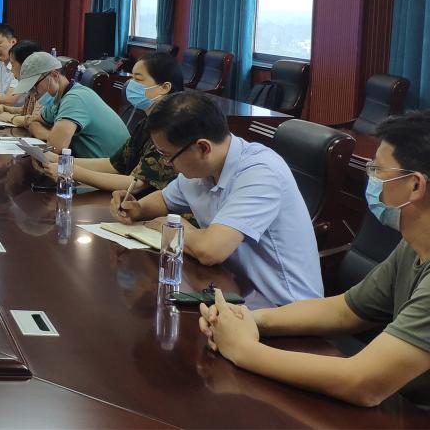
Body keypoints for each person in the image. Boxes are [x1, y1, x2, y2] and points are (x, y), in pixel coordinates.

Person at [199, 110, 430, 407]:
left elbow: (364, 383)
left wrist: (243, 350)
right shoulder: (413, 244)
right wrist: (247, 319)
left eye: (377, 170)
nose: (370, 179)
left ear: (415, 185)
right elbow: (345, 311)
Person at [110, 90, 322, 306]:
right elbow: (165, 200)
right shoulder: (202, 168)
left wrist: (175, 228)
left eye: (168, 156)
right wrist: (137, 208)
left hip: (284, 307)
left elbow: (210, 250)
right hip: (231, 292)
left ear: (203, 147)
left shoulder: (261, 173)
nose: (167, 164)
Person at [36, 52, 184, 194]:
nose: (130, 84)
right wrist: (61, 161)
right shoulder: (145, 124)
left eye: (138, 79)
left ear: (164, 87)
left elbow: (136, 185)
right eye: (132, 77)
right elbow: (113, 164)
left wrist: (69, 170)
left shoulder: (171, 128)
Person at [5, 52, 129, 159]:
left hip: (109, 173)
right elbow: (34, 122)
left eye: (34, 86)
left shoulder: (75, 99)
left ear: (54, 75)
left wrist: (53, 137)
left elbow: (54, 148)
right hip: (86, 165)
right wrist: (51, 134)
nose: (33, 93)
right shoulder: (59, 99)